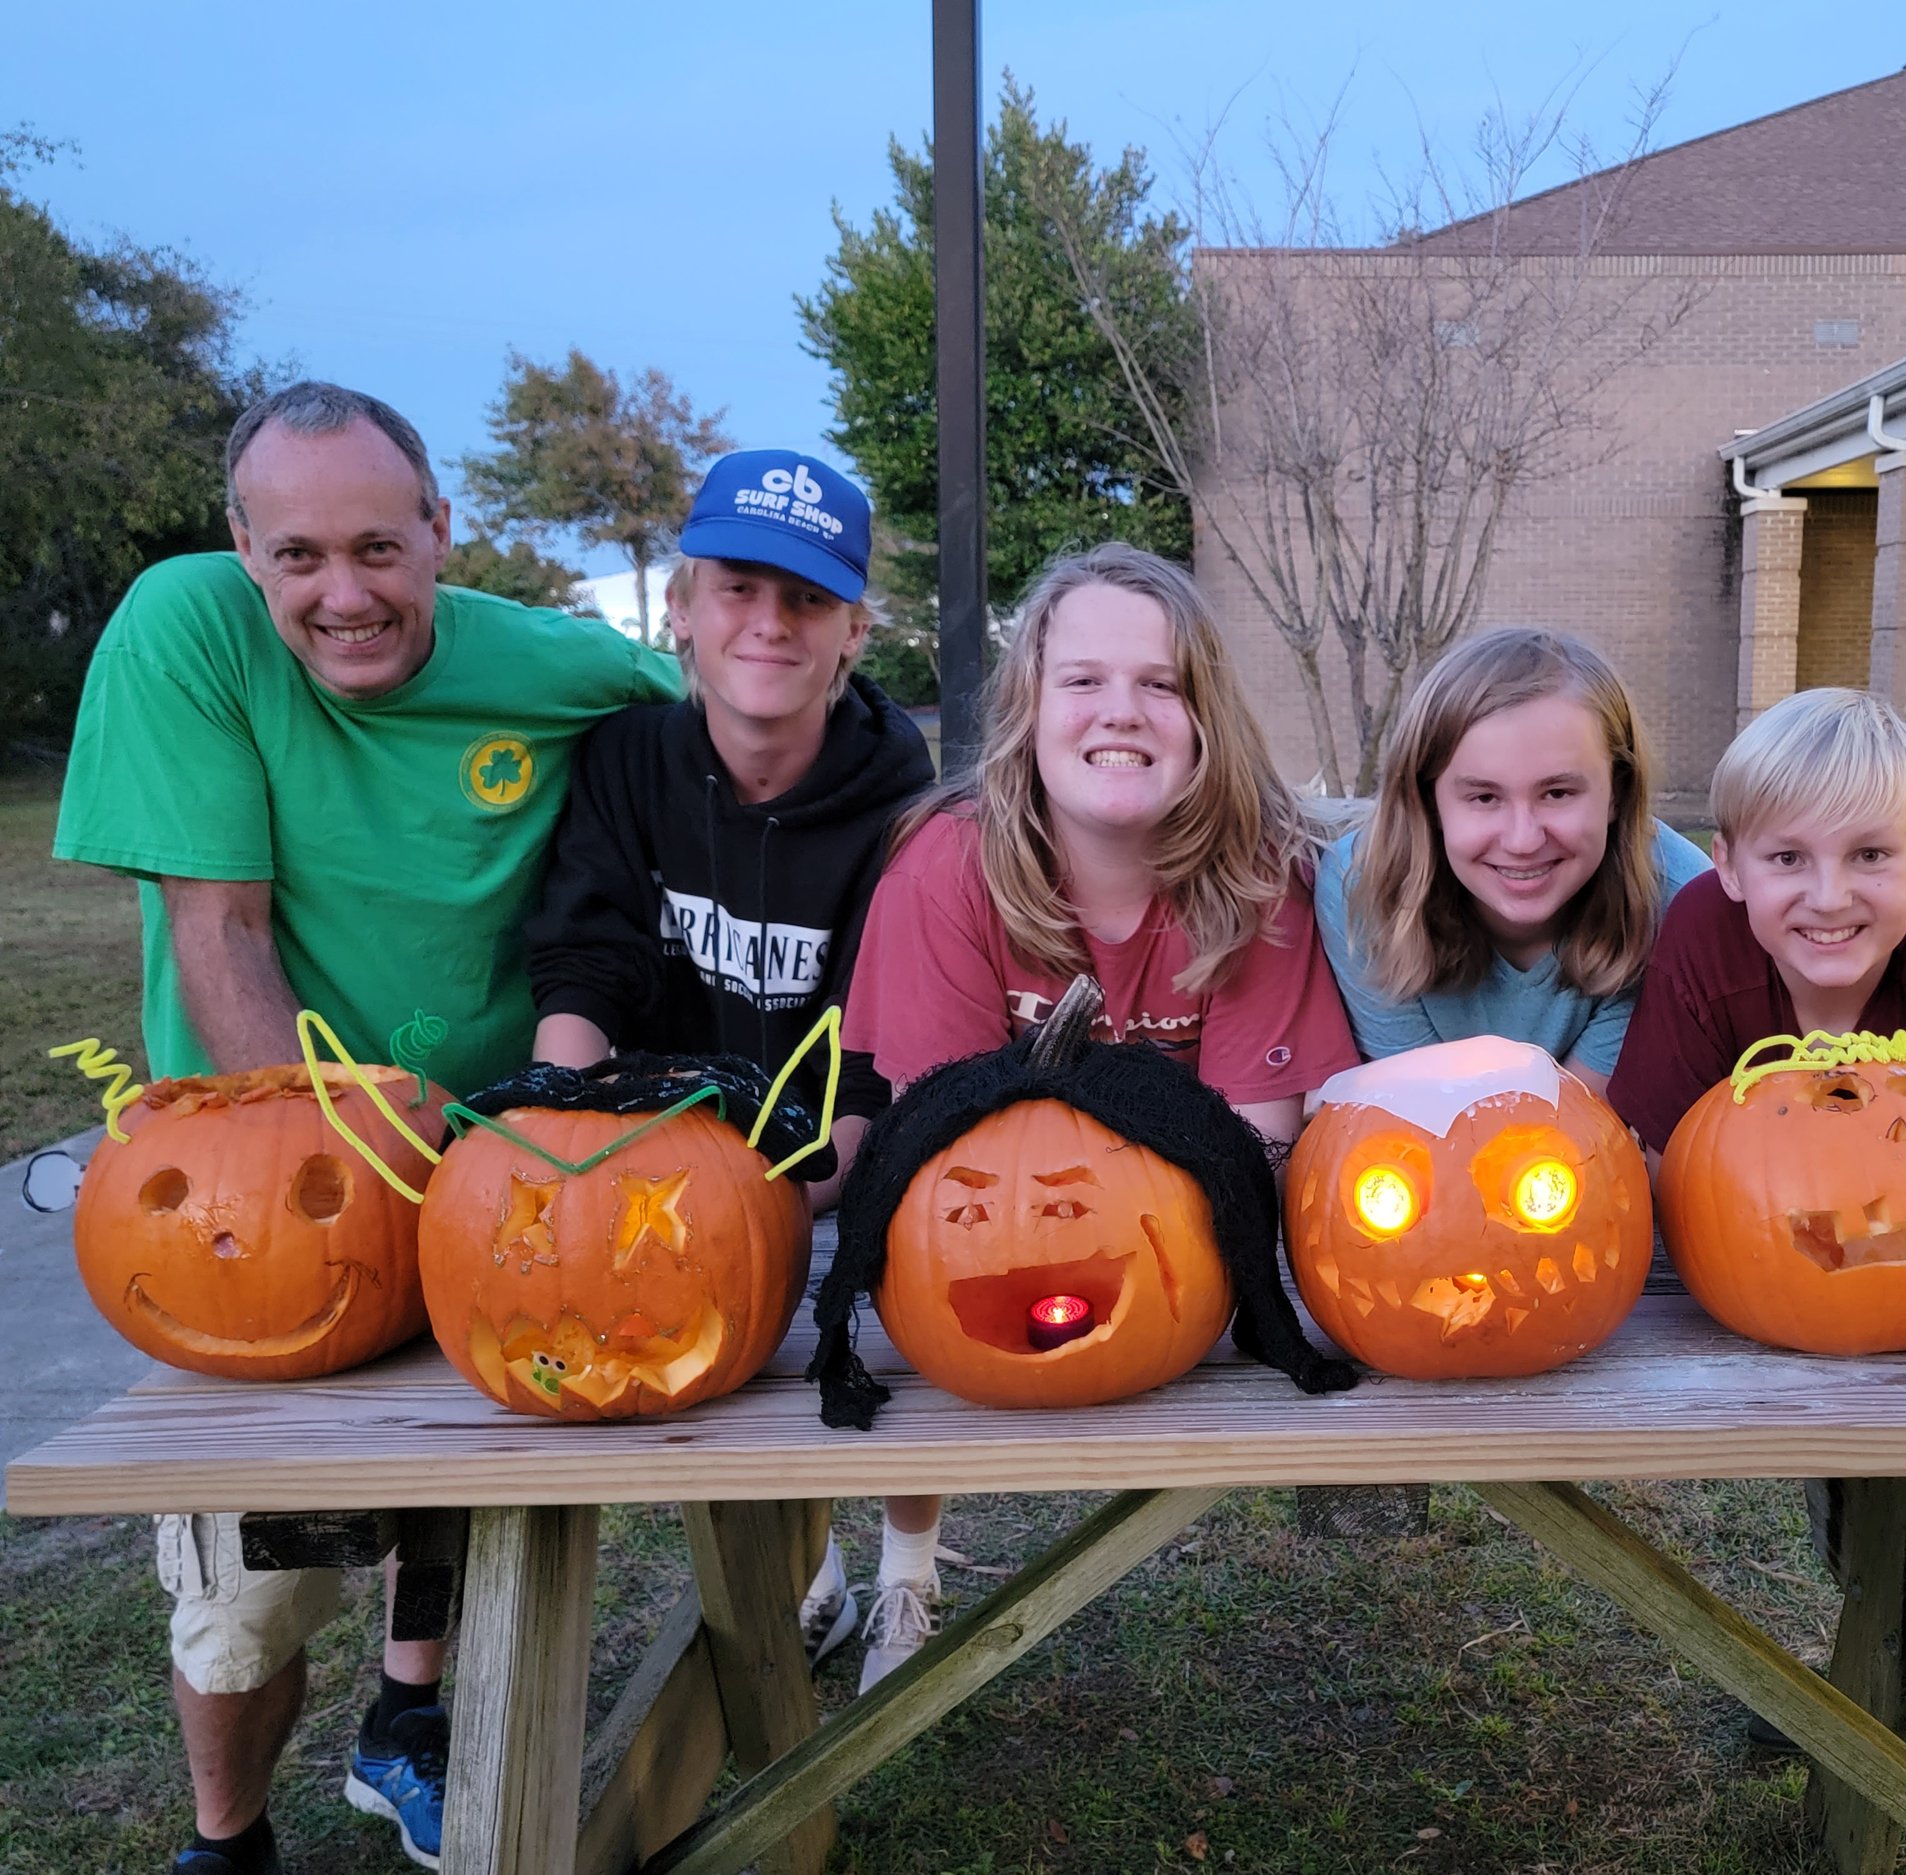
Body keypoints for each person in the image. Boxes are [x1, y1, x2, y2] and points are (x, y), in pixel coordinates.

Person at [54, 381, 679, 1875]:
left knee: (467, 1475)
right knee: (251, 1576)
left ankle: (406, 1716)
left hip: (489, 1157)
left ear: (441, 533)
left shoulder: (563, 664)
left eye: (383, 550)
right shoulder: (184, 628)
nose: (347, 593)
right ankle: (230, 1834)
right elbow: (220, 926)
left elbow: (750, 720)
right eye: (303, 557)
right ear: (242, 546)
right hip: (262, 1181)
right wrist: (339, 1175)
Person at [840, 540, 1360, 1690]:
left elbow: (1256, 1147)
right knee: (931, 1290)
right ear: (1028, 708)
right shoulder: (945, 867)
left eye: (1159, 683)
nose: (1120, 710)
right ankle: (903, 1570)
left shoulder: (1259, 881)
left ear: (1203, 715)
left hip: (1181, 1275)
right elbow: (942, 1155)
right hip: (986, 1235)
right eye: (1082, 679)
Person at [527, 447, 935, 1665]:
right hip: (671, 1141)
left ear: (854, 628)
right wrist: (559, 1131)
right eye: (741, 589)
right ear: (683, 611)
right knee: (698, 1338)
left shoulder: (903, 795)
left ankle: (909, 1556)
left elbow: (887, 1024)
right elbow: (582, 964)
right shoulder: (624, 761)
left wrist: (826, 1174)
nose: (770, 622)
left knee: (911, 1297)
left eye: (806, 598)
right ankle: (803, 1565)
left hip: (841, 1139)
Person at [1608, 686, 1906, 1212]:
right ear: (1729, 866)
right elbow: (1678, 1177)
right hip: (1750, 1253)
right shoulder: (1702, 939)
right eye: (1787, 858)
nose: (1829, 899)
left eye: (1870, 854)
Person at [1312, 627, 1711, 1095]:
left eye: (1558, 792)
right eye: (1484, 797)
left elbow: (1578, 1115)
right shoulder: (1360, 887)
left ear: (1617, 794)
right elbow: (1424, 1106)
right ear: (1429, 800)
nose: (1523, 840)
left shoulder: (1678, 900)